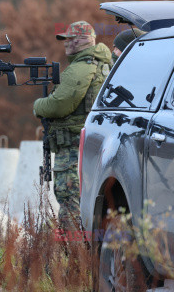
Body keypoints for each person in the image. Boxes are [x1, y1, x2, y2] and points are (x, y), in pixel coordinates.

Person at [33, 21, 112, 230]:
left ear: (81, 41)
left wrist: (38, 105)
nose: (66, 44)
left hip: (72, 149)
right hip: (94, 146)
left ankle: (75, 257)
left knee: (69, 201)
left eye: (69, 39)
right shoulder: (105, 65)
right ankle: (89, 254)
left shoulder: (81, 68)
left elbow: (59, 105)